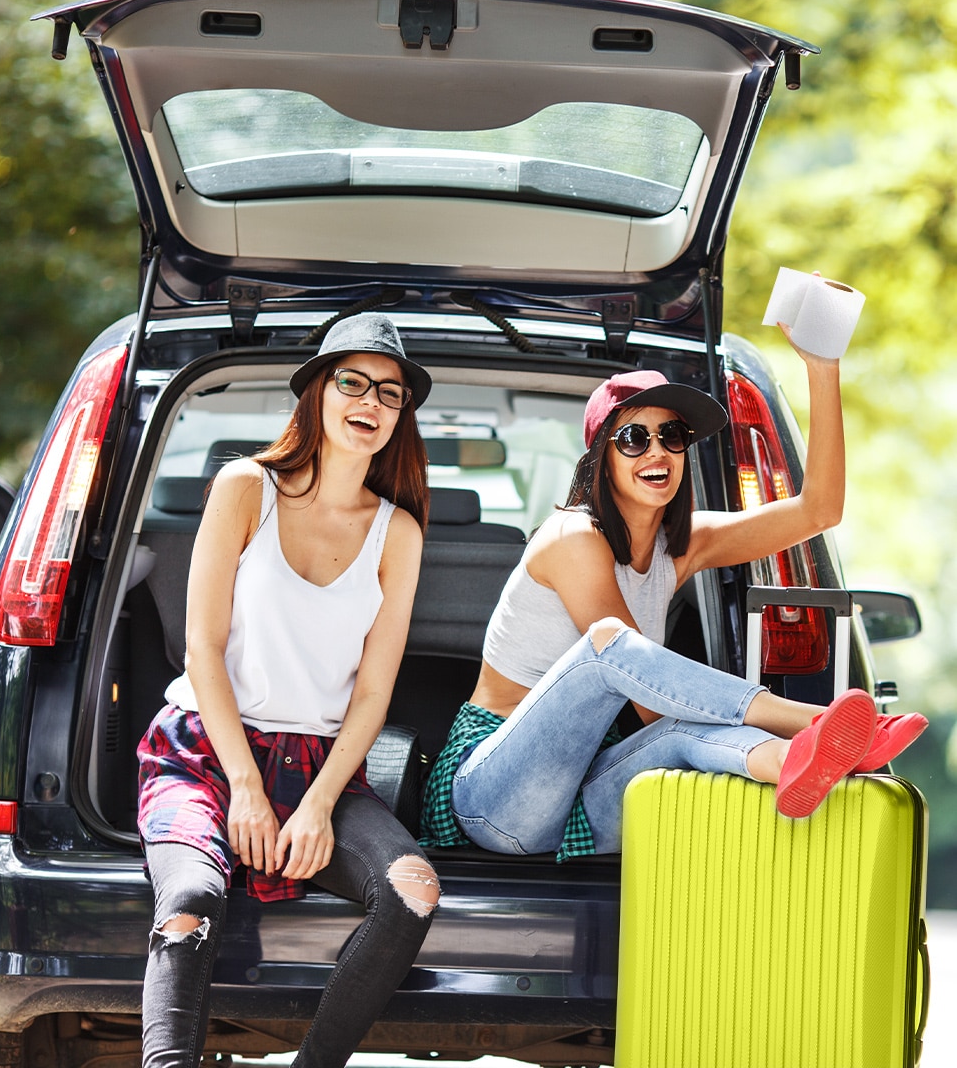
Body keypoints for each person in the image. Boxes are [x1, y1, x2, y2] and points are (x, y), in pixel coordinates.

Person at [420, 323, 927, 859]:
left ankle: (793, 760)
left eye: (674, 436)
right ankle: (817, 721)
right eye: (635, 438)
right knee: (609, 646)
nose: (657, 452)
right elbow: (643, 700)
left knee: (683, 734)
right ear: (601, 457)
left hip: (582, 806)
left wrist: (822, 368)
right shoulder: (571, 537)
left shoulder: (681, 546)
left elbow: (818, 511)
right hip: (496, 801)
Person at [137, 312, 441, 1068]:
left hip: (322, 769)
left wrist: (317, 803)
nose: (371, 401)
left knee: (413, 891)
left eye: (391, 393)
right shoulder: (247, 487)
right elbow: (200, 646)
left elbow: (374, 692)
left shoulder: (398, 532)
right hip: (207, 753)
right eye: (353, 381)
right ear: (316, 391)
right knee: (190, 906)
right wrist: (244, 786)